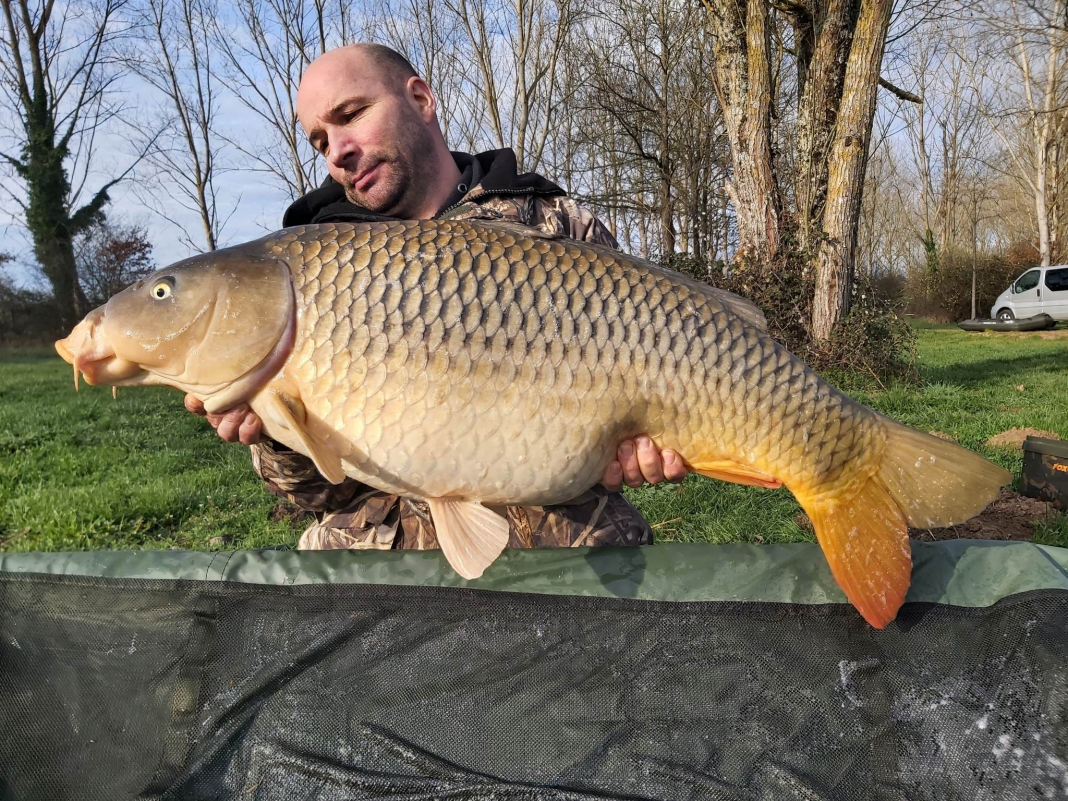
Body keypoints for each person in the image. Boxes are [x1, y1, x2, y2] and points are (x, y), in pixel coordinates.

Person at [186, 42, 689, 551]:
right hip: (385, 567)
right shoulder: (310, 273)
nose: (336, 151)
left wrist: (633, 452)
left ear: (421, 99)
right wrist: (272, 432)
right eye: (320, 141)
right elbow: (315, 494)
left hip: (570, 552)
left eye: (351, 115)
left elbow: (637, 415)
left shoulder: (555, 223)